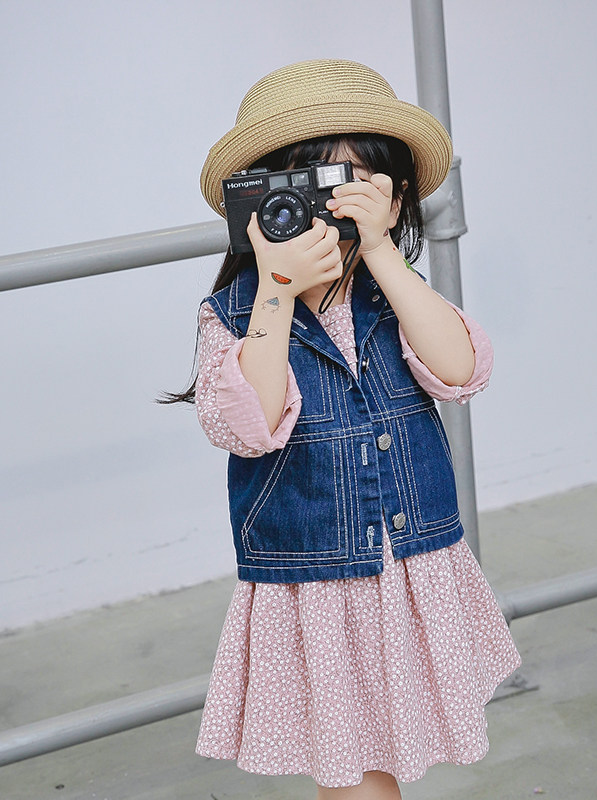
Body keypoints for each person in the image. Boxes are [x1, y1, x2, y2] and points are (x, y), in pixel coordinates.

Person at [170, 59, 520, 799]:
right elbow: (251, 423)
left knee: (379, 764)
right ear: (259, 204)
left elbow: (460, 369)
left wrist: (384, 253)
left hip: (408, 563)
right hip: (318, 584)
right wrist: (276, 288)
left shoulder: (393, 294)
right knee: (355, 774)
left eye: (351, 184)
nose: (326, 207)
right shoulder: (234, 313)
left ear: (397, 198)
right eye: (302, 184)